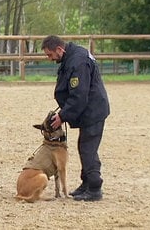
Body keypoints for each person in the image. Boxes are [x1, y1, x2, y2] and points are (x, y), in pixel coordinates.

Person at [42, 35, 110, 201]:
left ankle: (94, 188)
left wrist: (63, 116)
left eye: (50, 55)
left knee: (88, 148)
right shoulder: (71, 57)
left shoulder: (77, 61)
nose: (50, 59)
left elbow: (79, 95)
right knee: (85, 146)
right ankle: (86, 183)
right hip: (89, 109)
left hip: (93, 111)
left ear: (59, 49)